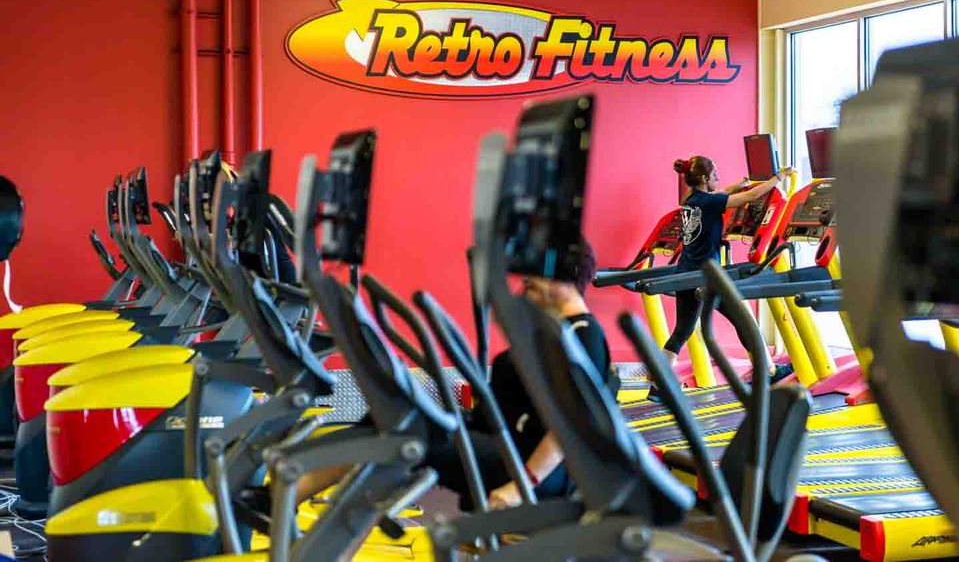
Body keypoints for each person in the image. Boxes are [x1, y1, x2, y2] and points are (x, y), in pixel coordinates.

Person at [284, 238, 613, 511]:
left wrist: (520, 486)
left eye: (533, 277)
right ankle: (294, 490)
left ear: (562, 279)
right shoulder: (549, 331)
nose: (523, 282)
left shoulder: (584, 336)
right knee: (394, 413)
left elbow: (570, 429)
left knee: (407, 434)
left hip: (528, 464)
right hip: (497, 441)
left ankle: (295, 497)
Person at [651, 156, 794, 400]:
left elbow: (721, 194)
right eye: (715, 175)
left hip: (685, 273)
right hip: (707, 276)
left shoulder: (690, 200)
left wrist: (739, 184)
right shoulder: (710, 202)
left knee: (681, 331)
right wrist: (779, 177)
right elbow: (751, 197)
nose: (718, 178)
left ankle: (657, 385)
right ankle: (768, 372)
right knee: (744, 321)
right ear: (704, 179)